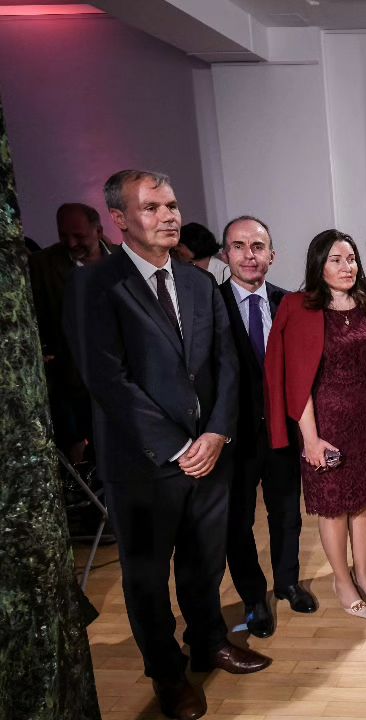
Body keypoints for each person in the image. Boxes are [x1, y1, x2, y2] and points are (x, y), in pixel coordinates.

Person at [63, 170, 269, 720]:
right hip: (143, 465)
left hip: (210, 456)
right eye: (152, 207)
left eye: (172, 205)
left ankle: (209, 643)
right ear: (120, 219)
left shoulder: (199, 283)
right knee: (148, 580)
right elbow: (106, 380)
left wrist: (217, 433)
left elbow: (228, 365)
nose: (169, 216)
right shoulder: (95, 285)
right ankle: (168, 675)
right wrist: (179, 446)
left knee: (204, 564)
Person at [264, 229, 366, 619]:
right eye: (336, 260)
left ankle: (363, 573)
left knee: (364, 502)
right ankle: (342, 580)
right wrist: (310, 439)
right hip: (325, 422)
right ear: (319, 265)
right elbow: (297, 379)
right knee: (334, 508)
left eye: (351, 259)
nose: (347, 267)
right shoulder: (299, 307)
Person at [218, 215, 316, 640]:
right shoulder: (211, 304)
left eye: (258, 247)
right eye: (239, 246)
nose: (249, 255)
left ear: (272, 256)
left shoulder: (289, 303)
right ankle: (254, 598)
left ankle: (288, 583)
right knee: (237, 522)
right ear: (225, 255)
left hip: (281, 431)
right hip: (232, 436)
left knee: (287, 513)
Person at [29, 202, 115, 462]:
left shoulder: (124, 258)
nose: (71, 242)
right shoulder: (41, 265)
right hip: (74, 380)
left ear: (98, 231)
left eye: (79, 235)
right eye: (63, 235)